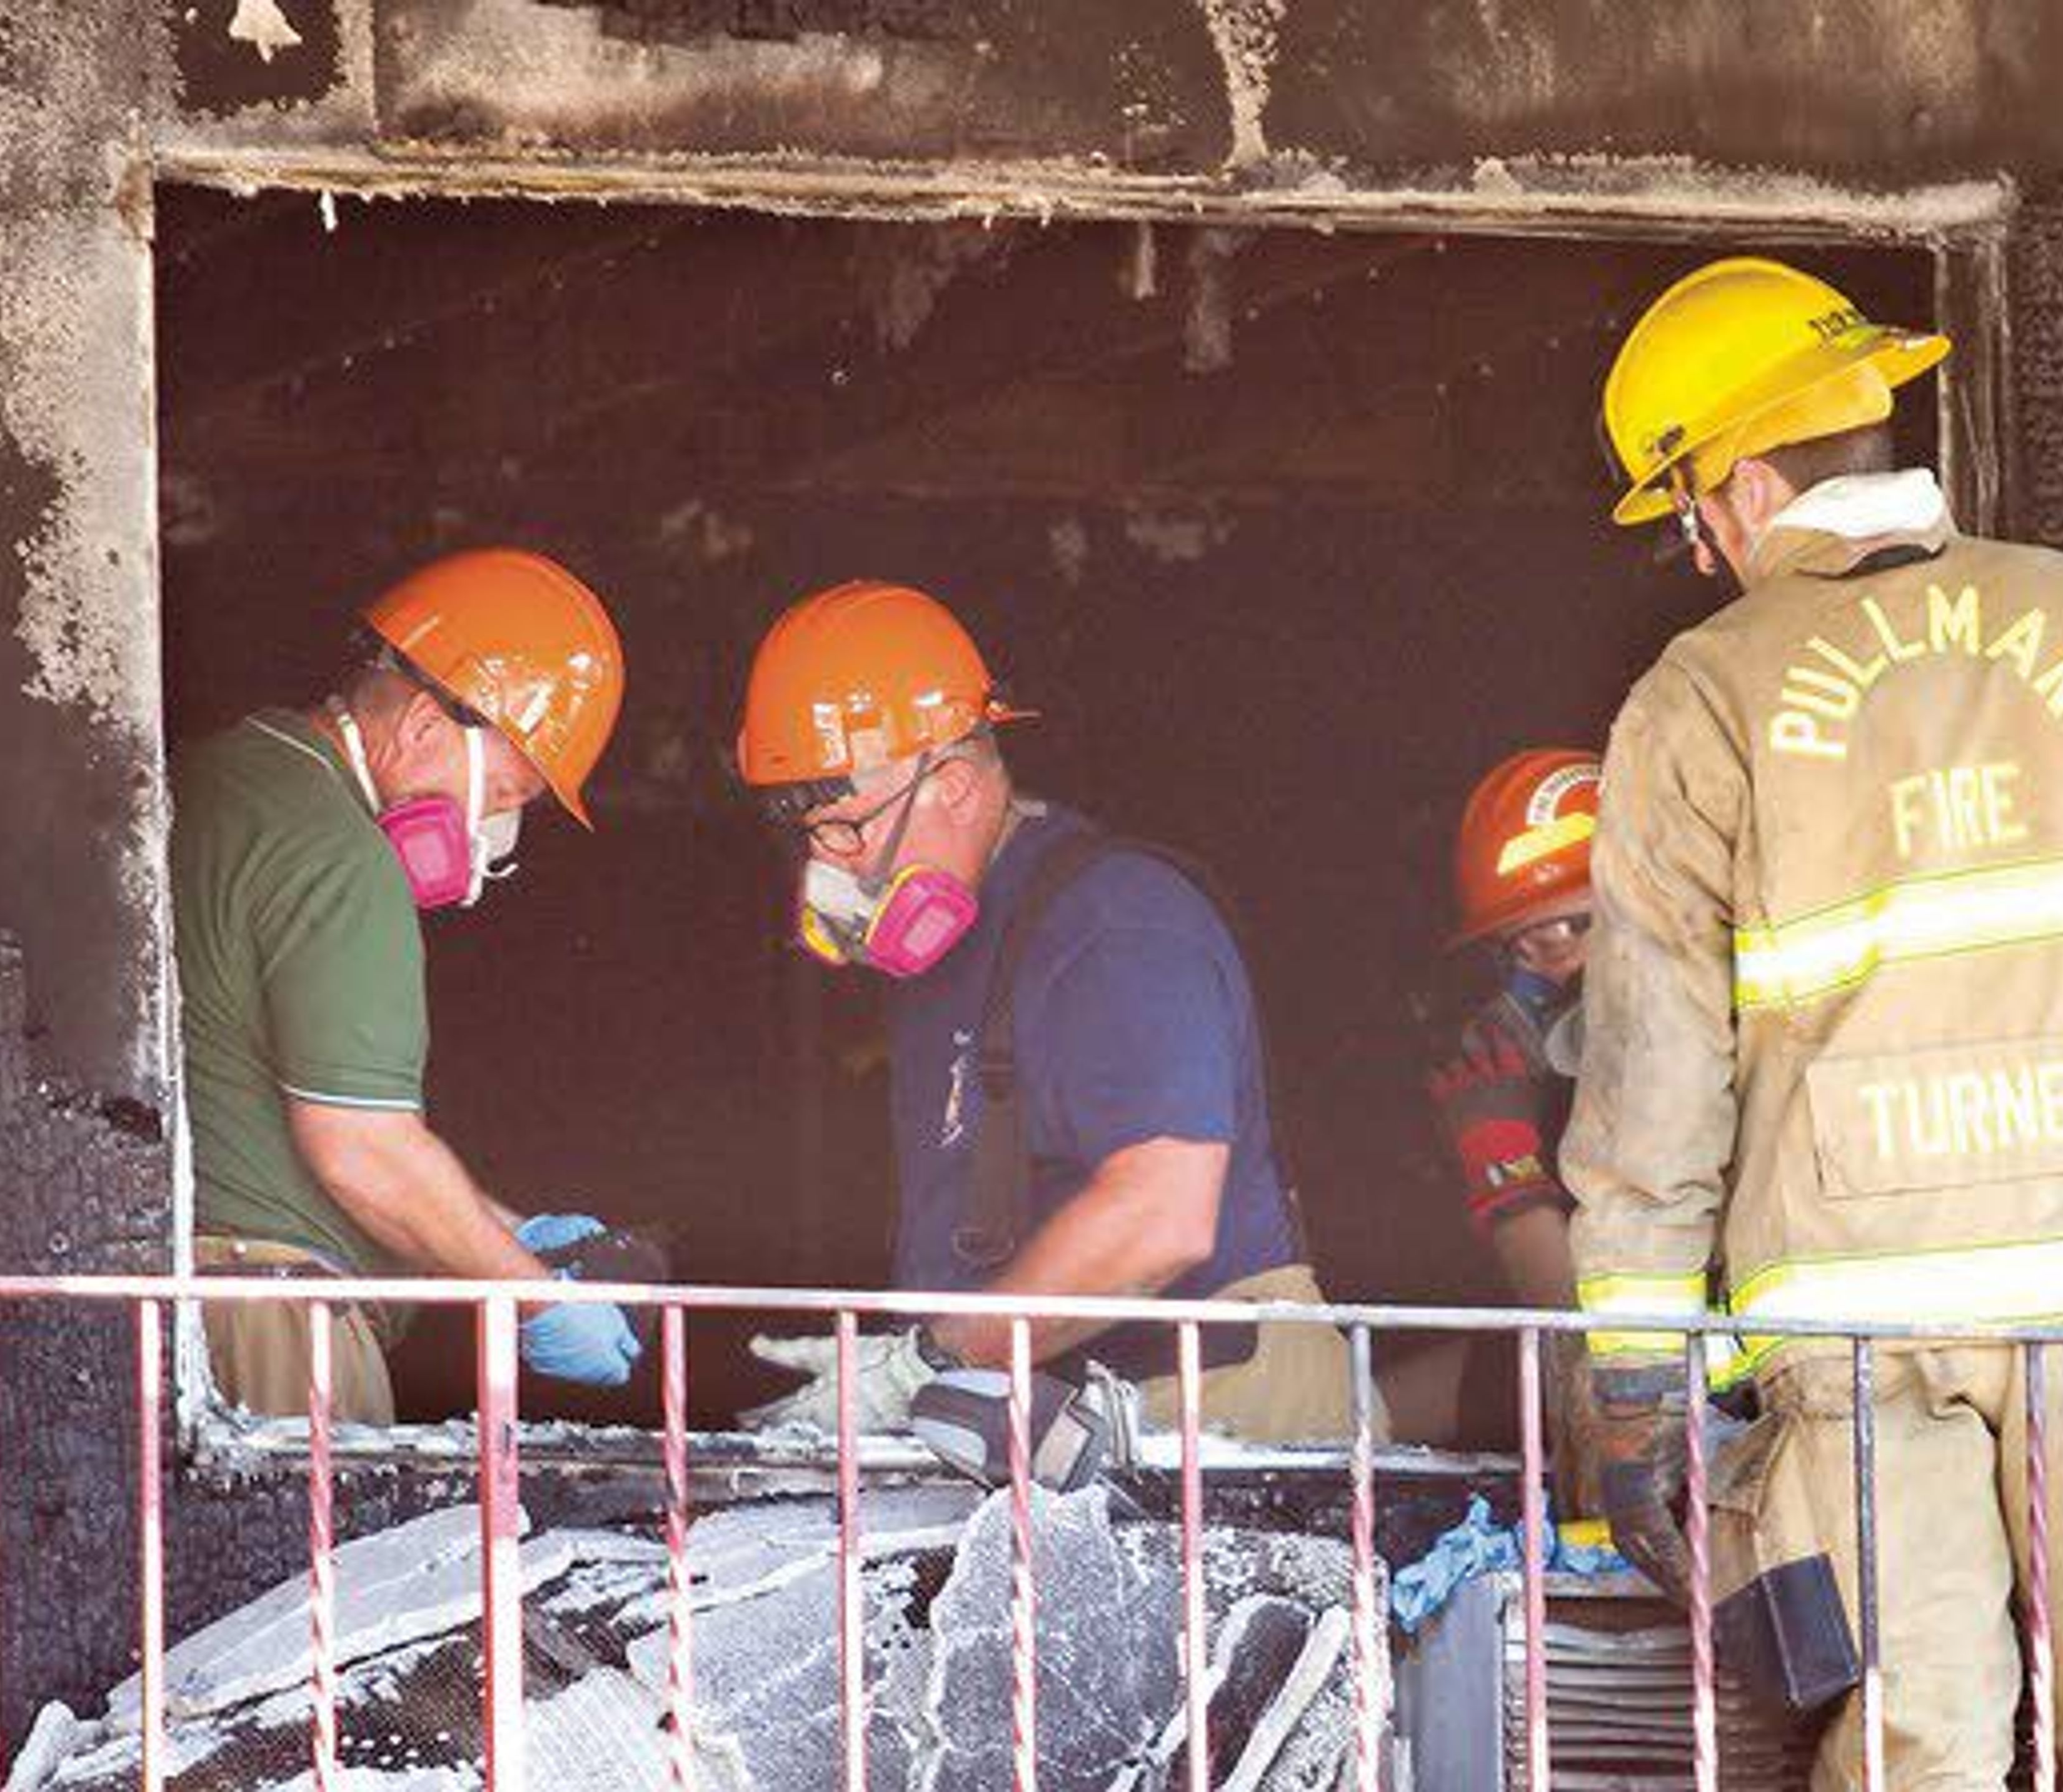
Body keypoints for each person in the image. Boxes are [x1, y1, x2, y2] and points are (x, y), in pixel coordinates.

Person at [1564, 257, 2063, 1783]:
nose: (1701, 555)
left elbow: (1656, 1078)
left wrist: (1633, 1376)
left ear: (1745, 483)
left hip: (1858, 1332)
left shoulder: (1701, 701)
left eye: (1692, 515)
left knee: (1917, 1743)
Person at [735, 579, 1353, 1442]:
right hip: (1075, 1405)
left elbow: (1160, 1214)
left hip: (1213, 1400)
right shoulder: (955, 956)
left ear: (950, 782)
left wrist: (933, 1361)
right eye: (810, 838)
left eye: (846, 828)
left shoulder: (1115, 924)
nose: (831, 868)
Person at [171, 548, 648, 1423]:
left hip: (183, 1310)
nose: (496, 835)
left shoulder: (224, 778)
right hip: (274, 1327)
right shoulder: (342, 857)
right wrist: (535, 1296)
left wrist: (512, 1233)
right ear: (427, 728)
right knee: (304, 1563)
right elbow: (365, 1149)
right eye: (505, 790)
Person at [1403, 750, 1600, 1508]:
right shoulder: (1502, 1078)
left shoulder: (1741, 1030)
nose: (1543, 973)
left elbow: (1573, 1318)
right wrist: (1500, 1152)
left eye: (1568, 931)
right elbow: (1554, 1327)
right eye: (1516, 948)